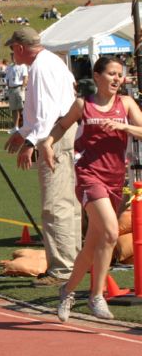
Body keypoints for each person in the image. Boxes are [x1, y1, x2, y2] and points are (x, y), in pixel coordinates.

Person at [41, 57, 142, 321]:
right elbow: (62, 125)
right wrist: (48, 143)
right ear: (97, 76)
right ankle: (96, 295)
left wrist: (124, 126)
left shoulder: (127, 104)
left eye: (120, 74)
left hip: (115, 179)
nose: (117, 78)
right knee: (110, 230)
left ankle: (67, 290)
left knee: (94, 243)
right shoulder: (83, 105)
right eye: (111, 73)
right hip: (89, 176)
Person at [5, 27, 80, 287]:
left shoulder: (40, 68)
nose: (12, 53)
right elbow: (44, 109)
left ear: (20, 48)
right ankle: (73, 261)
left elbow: (46, 113)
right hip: (62, 132)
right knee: (68, 203)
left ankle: (62, 269)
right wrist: (24, 132)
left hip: (54, 136)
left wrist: (30, 142)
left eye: (12, 48)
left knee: (55, 204)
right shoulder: (51, 62)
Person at [5, 54, 28, 133]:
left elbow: (25, 77)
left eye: (14, 56)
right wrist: (8, 87)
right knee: (14, 109)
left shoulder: (23, 66)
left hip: (19, 88)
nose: (13, 58)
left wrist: (23, 88)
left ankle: (25, 125)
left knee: (22, 108)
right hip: (11, 89)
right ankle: (15, 127)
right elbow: (7, 78)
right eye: (12, 56)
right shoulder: (9, 67)